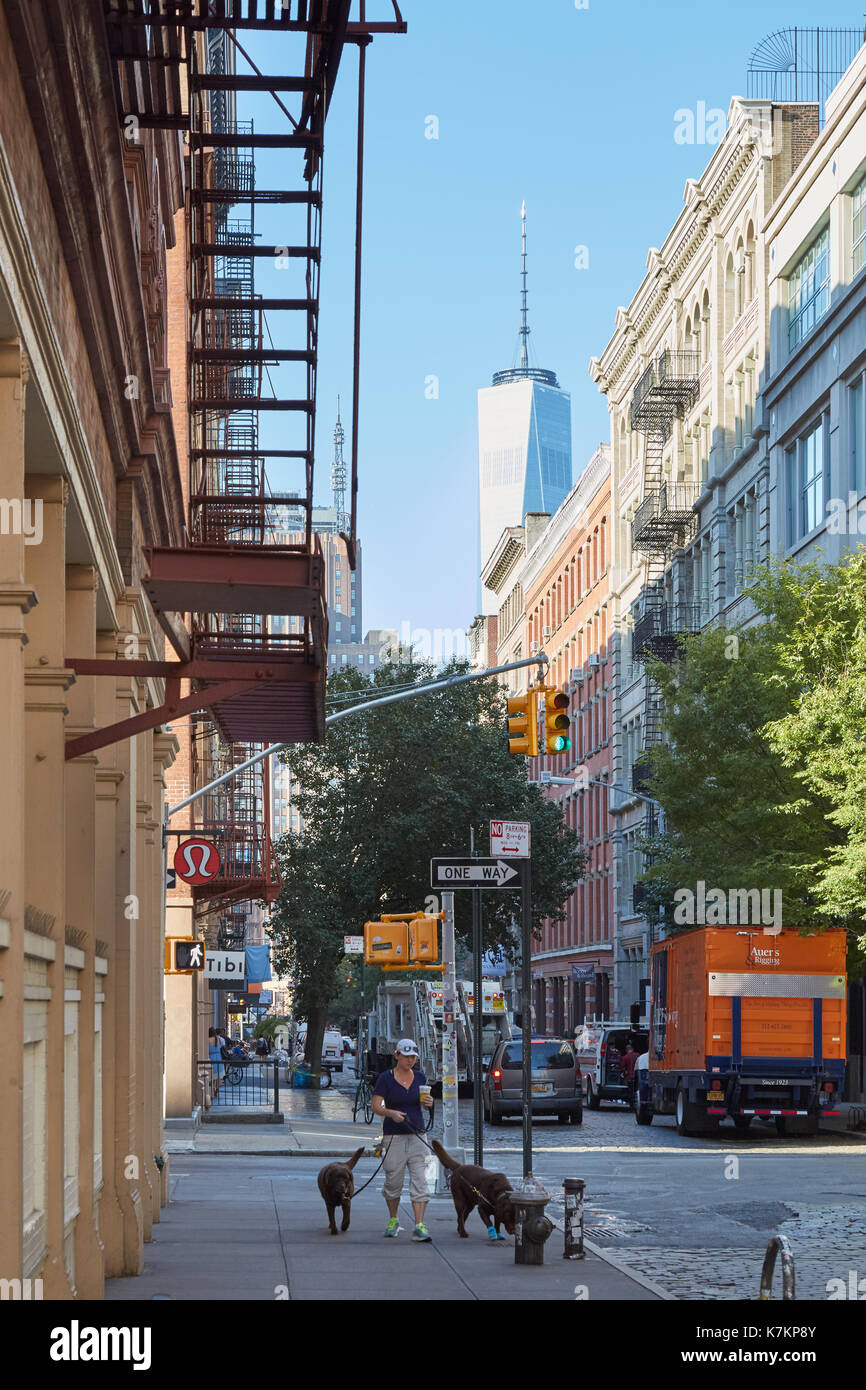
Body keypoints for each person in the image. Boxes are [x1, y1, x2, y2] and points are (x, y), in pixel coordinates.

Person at [372, 1039, 434, 1242]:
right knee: (393, 1181)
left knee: (420, 1181)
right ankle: (393, 1219)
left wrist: (429, 1103)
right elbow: (375, 1106)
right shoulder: (385, 1079)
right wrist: (390, 1113)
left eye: (413, 1057)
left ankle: (419, 1224)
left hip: (417, 1134)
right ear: (396, 1055)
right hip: (393, 1136)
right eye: (406, 1057)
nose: (410, 1061)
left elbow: (423, 1105)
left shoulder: (421, 1078)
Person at [207, 1027, 224, 1095]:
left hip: (211, 1057)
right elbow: (221, 1047)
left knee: (212, 1076)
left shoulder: (208, 1040)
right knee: (217, 1076)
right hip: (218, 1058)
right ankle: (216, 1088)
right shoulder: (218, 1039)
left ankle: (212, 1089)